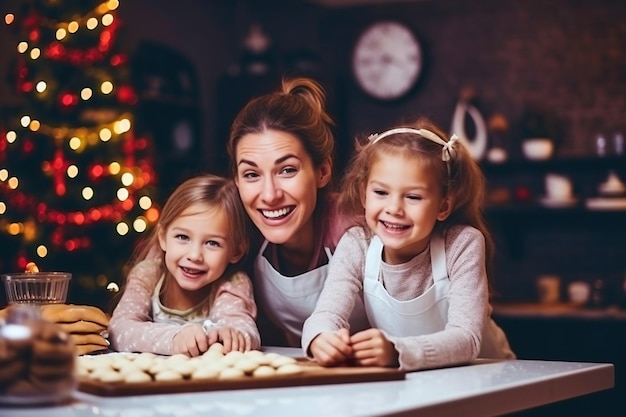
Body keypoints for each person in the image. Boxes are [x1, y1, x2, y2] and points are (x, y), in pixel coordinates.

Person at [301, 117, 515, 371]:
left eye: (413, 197)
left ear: (443, 206)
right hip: (419, 378)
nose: (394, 209)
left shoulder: (462, 244)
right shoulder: (356, 245)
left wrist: (397, 352)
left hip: (492, 377)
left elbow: (467, 339)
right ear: (363, 194)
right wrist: (320, 338)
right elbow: (326, 314)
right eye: (381, 192)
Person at [226, 77, 369, 347]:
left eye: (287, 170)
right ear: (236, 180)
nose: (269, 195)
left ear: (322, 171)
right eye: (251, 174)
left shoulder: (358, 226)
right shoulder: (237, 233)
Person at [108, 174, 261, 356]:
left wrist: (233, 335)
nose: (195, 255)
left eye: (212, 243)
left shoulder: (233, 283)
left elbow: (243, 328)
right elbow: (119, 329)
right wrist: (175, 338)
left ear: (236, 251)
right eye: (183, 237)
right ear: (163, 237)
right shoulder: (148, 274)